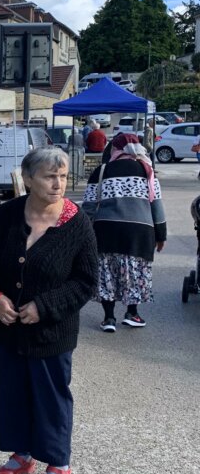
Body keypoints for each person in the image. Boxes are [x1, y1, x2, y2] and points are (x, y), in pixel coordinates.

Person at [0, 147, 98, 474]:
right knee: (13, 392)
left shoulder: (77, 223)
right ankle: (22, 454)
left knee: (51, 396)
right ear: (27, 179)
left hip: (51, 332)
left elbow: (87, 282)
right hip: (8, 329)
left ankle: (58, 462)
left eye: (62, 175)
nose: (58, 183)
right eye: (49, 176)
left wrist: (44, 306)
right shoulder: (6, 216)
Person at [82, 132, 167, 331]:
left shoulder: (101, 171)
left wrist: (82, 235)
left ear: (115, 149)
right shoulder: (148, 171)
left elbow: (88, 207)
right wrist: (161, 235)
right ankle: (132, 313)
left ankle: (109, 318)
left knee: (106, 274)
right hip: (139, 232)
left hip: (106, 230)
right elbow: (157, 207)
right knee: (135, 272)